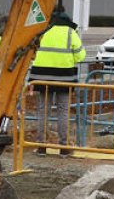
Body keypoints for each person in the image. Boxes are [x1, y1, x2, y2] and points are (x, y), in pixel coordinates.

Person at [28, 13, 86, 155]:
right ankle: (64, 147)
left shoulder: (43, 30)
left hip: (41, 77)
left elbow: (31, 51)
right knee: (63, 111)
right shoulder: (70, 32)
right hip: (64, 78)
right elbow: (81, 55)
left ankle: (41, 145)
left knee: (43, 111)